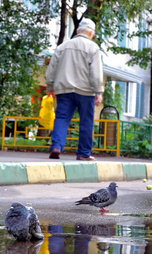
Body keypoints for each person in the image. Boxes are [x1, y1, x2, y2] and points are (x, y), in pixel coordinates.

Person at [45, 18, 104, 161]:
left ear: (77, 31)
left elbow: (51, 69)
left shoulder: (62, 47)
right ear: (92, 34)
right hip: (86, 91)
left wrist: (50, 86)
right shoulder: (93, 48)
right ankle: (83, 153)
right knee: (86, 121)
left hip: (64, 89)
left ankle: (56, 147)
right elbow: (95, 73)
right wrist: (98, 91)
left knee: (62, 118)